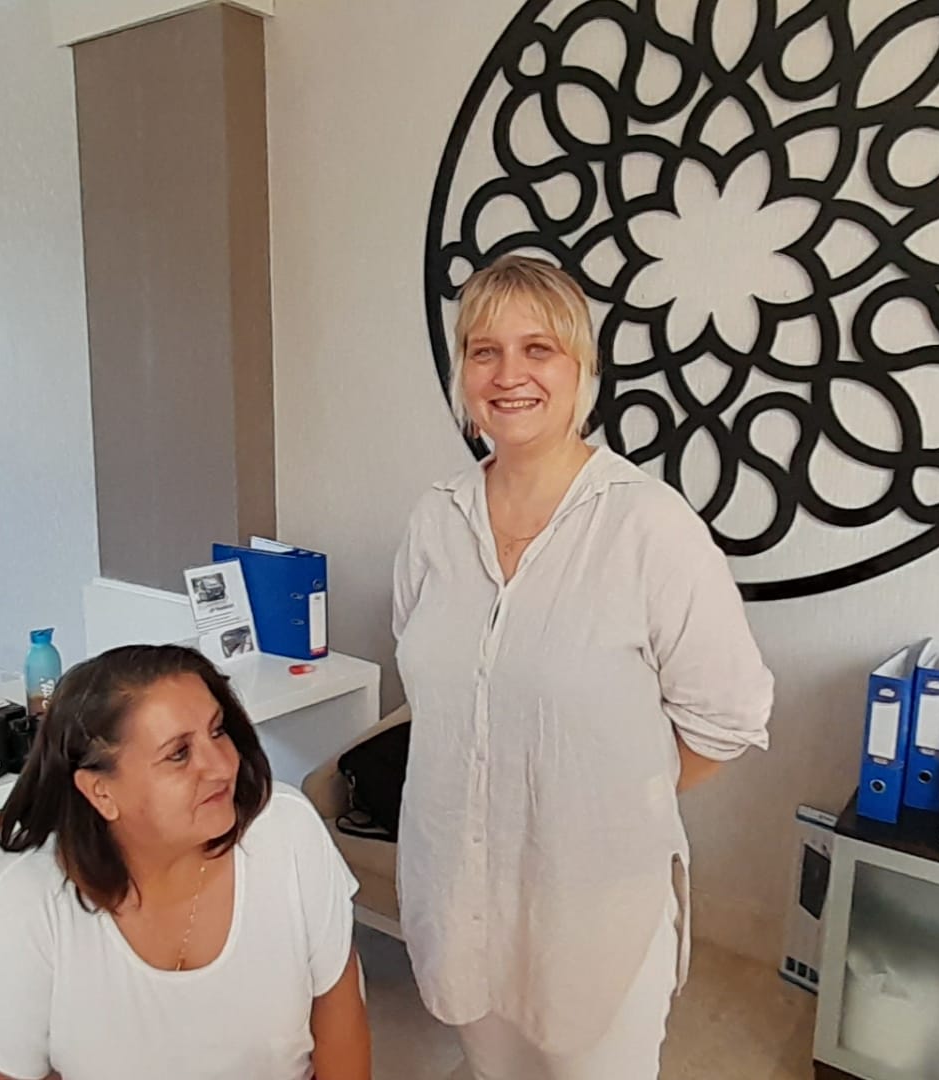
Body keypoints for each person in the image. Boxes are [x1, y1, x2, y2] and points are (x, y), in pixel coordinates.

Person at [392, 255, 774, 1079]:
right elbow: (434, 678)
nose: (509, 374)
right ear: (462, 373)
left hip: (594, 916)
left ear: (582, 369)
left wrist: (603, 800)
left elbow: (728, 716)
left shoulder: (649, 527)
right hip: (460, 899)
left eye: (539, 349)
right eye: (484, 351)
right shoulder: (434, 521)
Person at [0, 645, 371, 1080]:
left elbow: (340, 1016)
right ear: (101, 792)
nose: (222, 767)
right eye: (179, 754)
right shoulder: (26, 903)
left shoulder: (285, 829)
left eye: (218, 731)